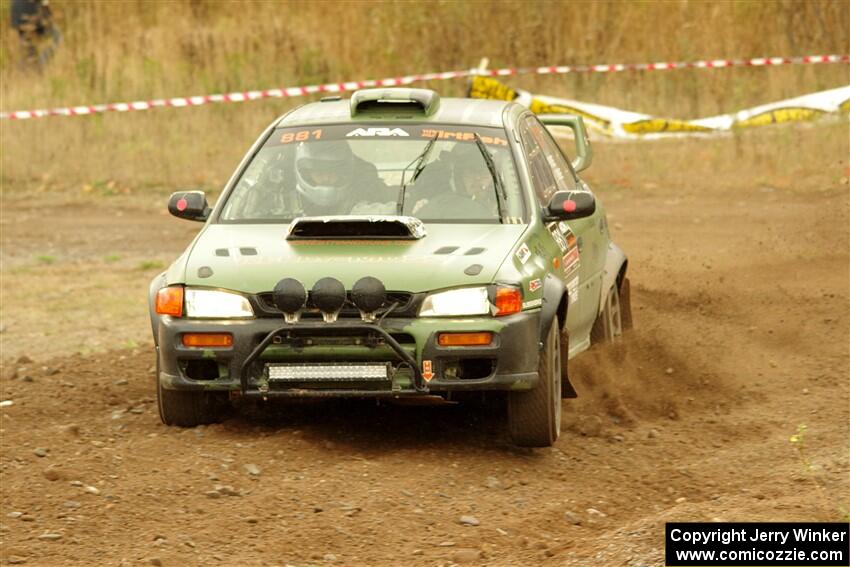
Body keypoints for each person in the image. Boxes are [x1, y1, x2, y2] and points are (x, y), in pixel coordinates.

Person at [294, 141, 394, 216]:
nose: (326, 178)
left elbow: (393, 211)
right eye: (319, 172)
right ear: (306, 173)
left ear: (343, 173)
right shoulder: (284, 201)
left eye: (333, 172)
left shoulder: (365, 196)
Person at [10, 0, 61, 69]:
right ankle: (40, 64)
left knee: (28, 48)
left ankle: (26, 70)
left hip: (18, 16)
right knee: (57, 36)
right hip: (29, 15)